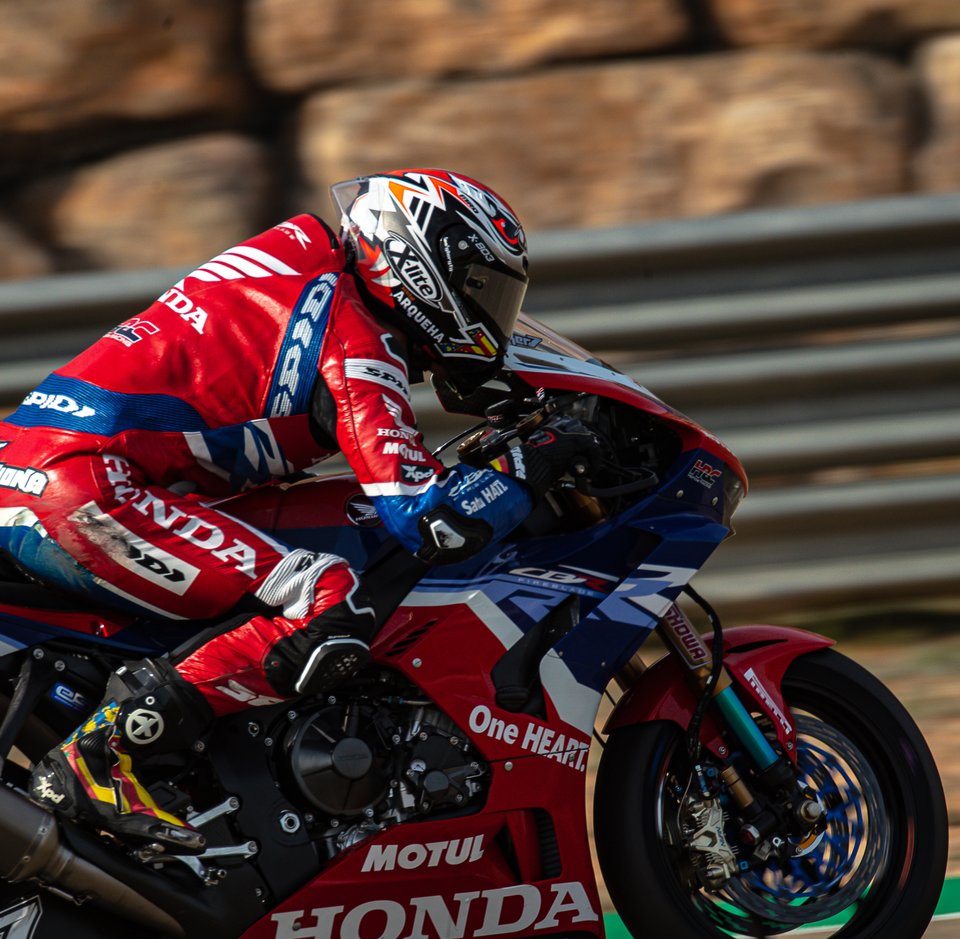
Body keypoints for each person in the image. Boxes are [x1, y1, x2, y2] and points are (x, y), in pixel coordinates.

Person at [0, 169, 595, 854]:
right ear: (421, 270)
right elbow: (427, 520)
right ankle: (102, 760)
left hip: (62, 474)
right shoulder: (354, 336)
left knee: (333, 533)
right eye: (482, 291)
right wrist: (529, 464)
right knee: (325, 592)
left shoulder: (305, 271)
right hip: (87, 488)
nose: (490, 314)